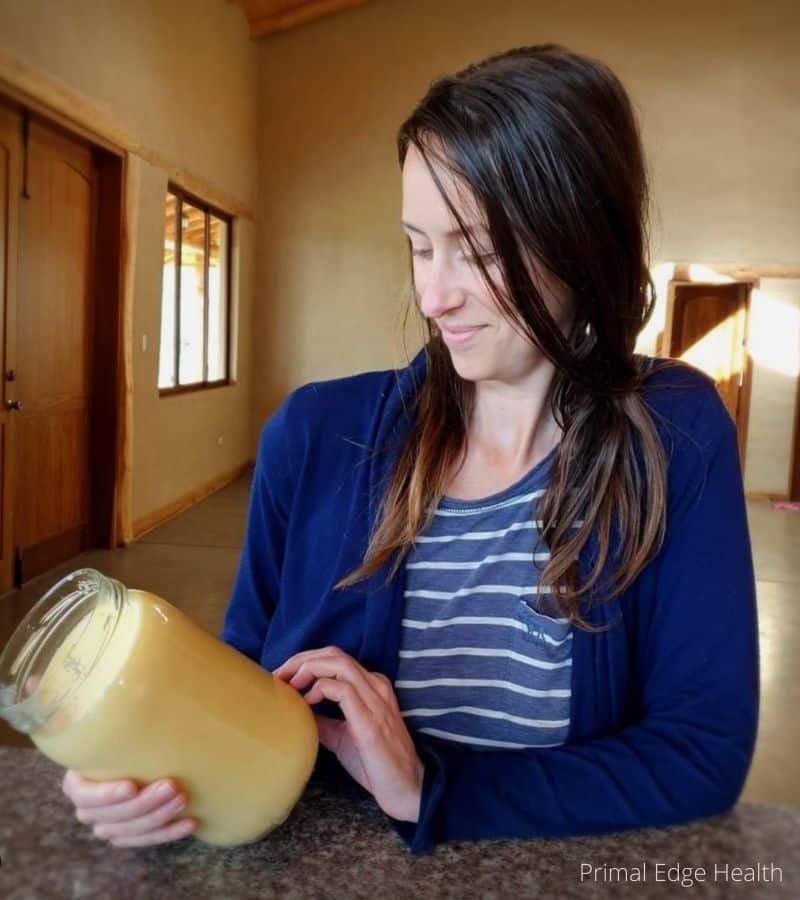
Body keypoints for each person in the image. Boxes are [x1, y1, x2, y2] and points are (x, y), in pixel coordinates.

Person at [61, 43, 759, 854]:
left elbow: (699, 752)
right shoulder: (314, 436)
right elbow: (235, 691)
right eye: (419, 246)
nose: (434, 294)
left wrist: (436, 790)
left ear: (583, 242)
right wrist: (142, 766)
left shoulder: (673, 433)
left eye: (480, 250)